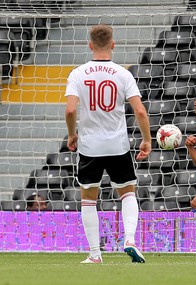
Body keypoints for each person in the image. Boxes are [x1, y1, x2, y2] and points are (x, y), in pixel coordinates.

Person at [65, 25, 151, 264]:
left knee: (88, 199)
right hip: (118, 146)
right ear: (113, 44)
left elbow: (71, 109)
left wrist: (72, 135)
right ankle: (130, 240)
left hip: (90, 147)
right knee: (127, 193)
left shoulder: (77, 73)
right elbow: (141, 112)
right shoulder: (123, 74)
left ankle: (95, 255)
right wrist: (146, 139)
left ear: (90, 45)